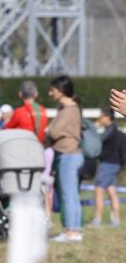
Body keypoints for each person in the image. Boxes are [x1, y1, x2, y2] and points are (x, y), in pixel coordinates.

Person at [45, 75, 84, 243]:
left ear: (61, 91)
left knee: (68, 195)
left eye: (53, 90)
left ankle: (70, 231)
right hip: (70, 155)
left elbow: (53, 132)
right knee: (72, 195)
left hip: (68, 155)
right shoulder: (69, 108)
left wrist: (47, 131)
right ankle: (74, 230)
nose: (50, 93)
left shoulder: (69, 110)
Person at [89, 107, 121, 228]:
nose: (100, 118)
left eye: (101, 116)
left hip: (108, 164)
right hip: (114, 164)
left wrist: (95, 127)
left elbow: (99, 140)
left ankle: (97, 220)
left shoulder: (110, 129)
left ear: (107, 117)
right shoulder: (113, 129)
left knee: (98, 190)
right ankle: (115, 220)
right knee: (112, 191)